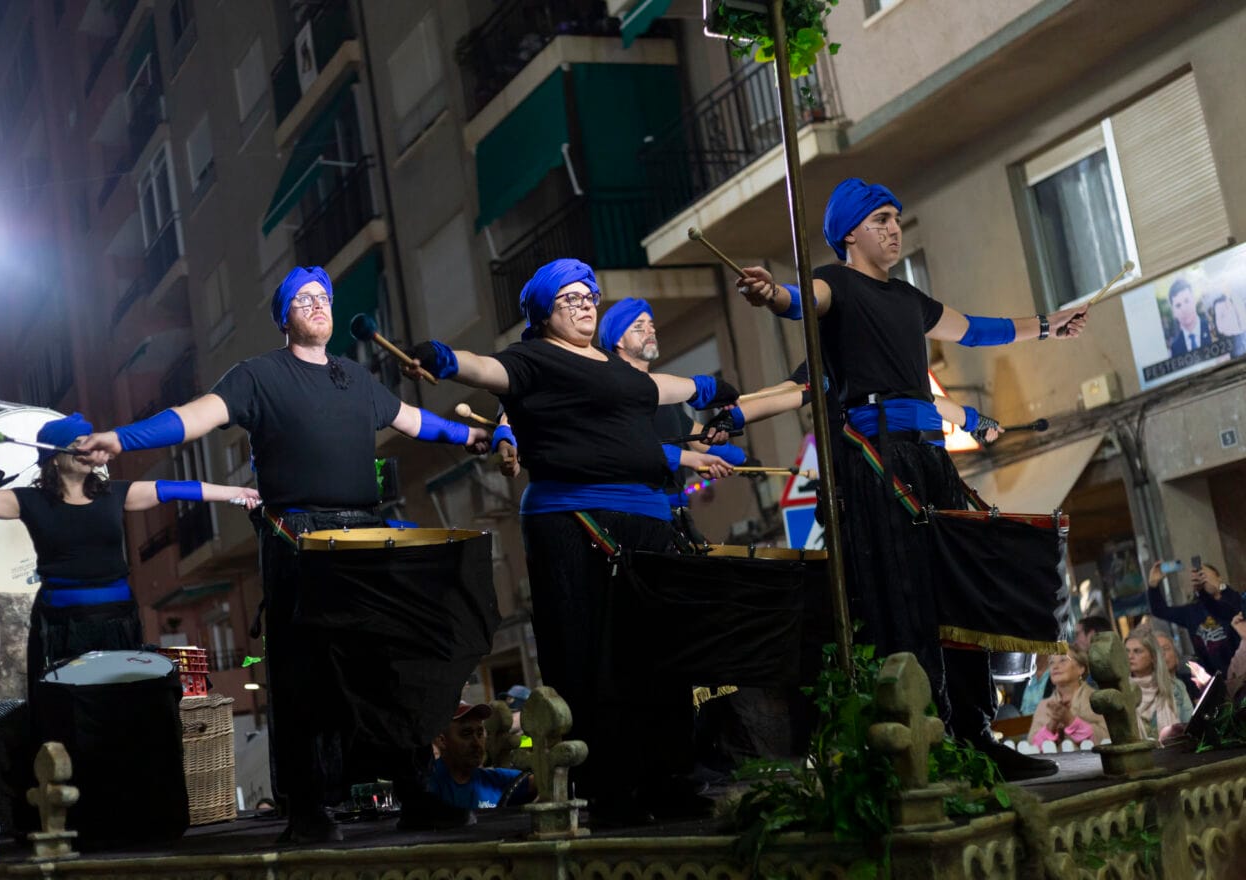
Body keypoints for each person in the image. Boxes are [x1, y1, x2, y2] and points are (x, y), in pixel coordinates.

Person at [73, 266, 493, 842]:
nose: (319, 305)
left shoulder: (356, 378)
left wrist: (477, 436)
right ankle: (309, 811)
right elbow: (194, 417)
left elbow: (416, 421)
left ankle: (415, 792)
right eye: (304, 299)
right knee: (307, 676)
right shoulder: (256, 376)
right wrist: (123, 438)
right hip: (299, 538)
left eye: (324, 297)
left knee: (386, 670)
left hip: (366, 537)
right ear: (285, 317)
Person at [734, 177, 1090, 781]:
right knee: (903, 597)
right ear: (850, 233)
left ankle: (975, 733)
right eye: (880, 220)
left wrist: (1050, 326)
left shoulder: (909, 299)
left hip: (928, 458)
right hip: (876, 464)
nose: (894, 228)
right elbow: (799, 301)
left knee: (961, 590)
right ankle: (929, 739)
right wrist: (771, 295)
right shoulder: (835, 282)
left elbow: (977, 329)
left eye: (897, 218)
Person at [404, 257, 740, 823]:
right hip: (574, 524)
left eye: (590, 296)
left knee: (657, 658)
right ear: (543, 312)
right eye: (571, 298)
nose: (586, 305)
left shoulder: (614, 367)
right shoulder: (533, 359)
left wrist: (712, 387)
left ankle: (666, 779)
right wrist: (447, 359)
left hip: (645, 523)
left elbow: (657, 387)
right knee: (594, 661)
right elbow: (488, 370)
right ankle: (608, 789)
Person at [0, 412, 260, 694]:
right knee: (69, 713)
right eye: (77, 444)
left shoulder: (116, 494)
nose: (88, 449)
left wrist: (237, 492)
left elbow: (177, 489)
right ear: (53, 457)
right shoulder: (27, 500)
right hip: (61, 630)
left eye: (90, 441)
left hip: (116, 625)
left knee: (118, 710)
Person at [596, 296, 746, 543]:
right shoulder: (613, 394)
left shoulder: (666, 397)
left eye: (651, 324)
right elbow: (630, 448)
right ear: (617, 340)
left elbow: (700, 437)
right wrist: (691, 458)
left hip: (676, 515)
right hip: (640, 516)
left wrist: (743, 459)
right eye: (638, 326)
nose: (650, 330)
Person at [428, 701, 533, 810]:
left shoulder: (495, 779)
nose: (477, 743)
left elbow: (542, 783)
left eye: (479, 734)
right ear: (441, 741)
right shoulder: (426, 786)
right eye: (466, 734)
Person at [1146, 559, 1240, 676]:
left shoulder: (1234, 600)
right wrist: (1153, 585)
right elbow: (1160, 610)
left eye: (1204, 575)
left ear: (1218, 577)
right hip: (1214, 678)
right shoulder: (1192, 611)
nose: (1202, 579)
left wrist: (1220, 587)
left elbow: (1230, 610)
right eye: (1198, 576)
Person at [1027, 646, 1109, 748]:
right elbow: (1032, 748)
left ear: (1081, 668)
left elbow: (1106, 739)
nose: (1055, 666)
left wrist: (1070, 720)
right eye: (1051, 662)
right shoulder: (1043, 706)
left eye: (1063, 660)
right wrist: (1053, 723)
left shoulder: (1097, 700)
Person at [1125, 628, 1194, 741]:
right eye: (1127, 651)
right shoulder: (1122, 691)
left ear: (1153, 656)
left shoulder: (1176, 687)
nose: (1130, 656)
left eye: (1137, 651)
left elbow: (1190, 725)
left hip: (1174, 752)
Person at [1155, 629, 1211, 701]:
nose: (1162, 654)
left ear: (1176, 654)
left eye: (1166, 649)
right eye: (1157, 652)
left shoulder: (1191, 680)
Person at [1168, 279, 1211, 357]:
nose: (1184, 309)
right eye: (1178, 305)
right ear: (1174, 312)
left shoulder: (1211, 328)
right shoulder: (1175, 347)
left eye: (1187, 301)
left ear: (1194, 300)